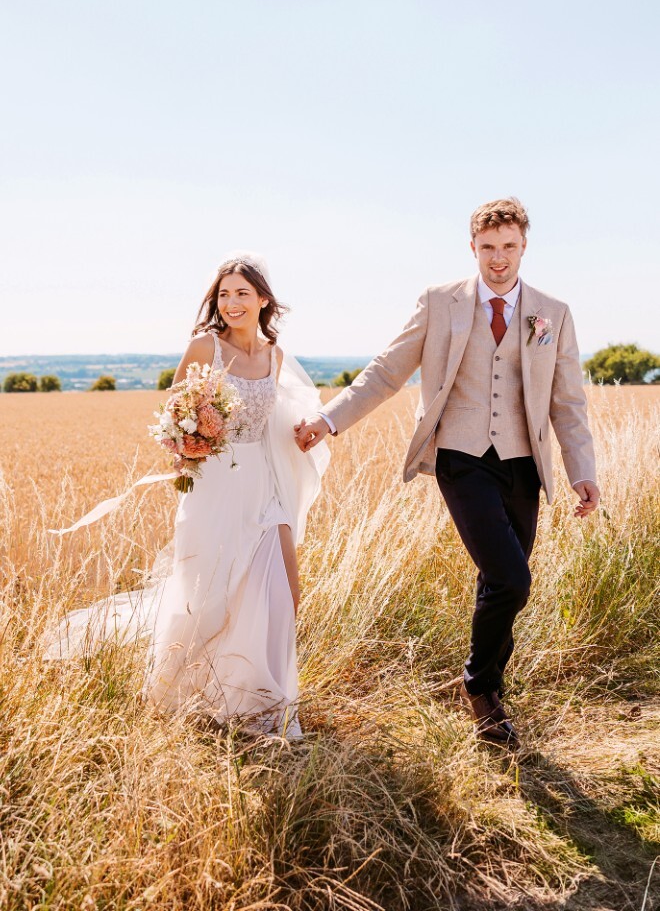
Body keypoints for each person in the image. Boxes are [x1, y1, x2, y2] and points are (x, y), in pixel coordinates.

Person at [294, 198, 599, 745]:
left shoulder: (552, 312)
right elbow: (387, 370)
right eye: (488, 248)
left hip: (524, 464)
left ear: (524, 246)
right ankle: (480, 689)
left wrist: (582, 470)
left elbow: (567, 401)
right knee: (513, 577)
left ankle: (489, 686)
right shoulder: (440, 303)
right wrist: (328, 419)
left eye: (509, 247)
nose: (499, 259)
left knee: (500, 579)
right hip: (460, 459)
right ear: (473, 247)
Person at [43, 252, 329, 738]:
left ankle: (265, 703)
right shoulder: (205, 347)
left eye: (243, 293)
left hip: (264, 484)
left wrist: (301, 432)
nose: (232, 302)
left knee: (284, 590)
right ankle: (197, 692)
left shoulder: (275, 356)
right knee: (209, 596)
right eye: (224, 294)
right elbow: (172, 415)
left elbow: (272, 421)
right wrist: (188, 441)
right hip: (213, 484)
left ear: (263, 300)